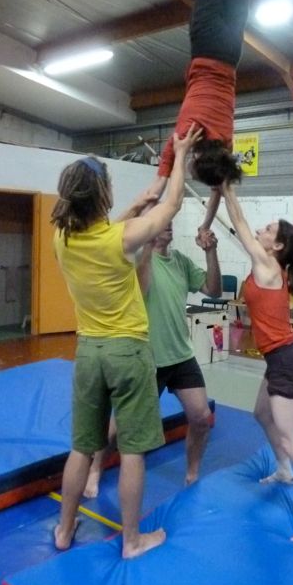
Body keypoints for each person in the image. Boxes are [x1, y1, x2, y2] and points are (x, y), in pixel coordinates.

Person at [50, 125, 201, 559]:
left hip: (88, 353)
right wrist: (182, 154)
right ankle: (132, 541)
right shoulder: (121, 239)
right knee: (133, 450)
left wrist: (138, 201)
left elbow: (112, 231)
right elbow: (172, 204)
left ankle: (64, 530)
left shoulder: (63, 238)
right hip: (127, 352)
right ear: (102, 197)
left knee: (83, 447)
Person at [84, 192, 223, 497]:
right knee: (119, 427)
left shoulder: (181, 262)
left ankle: (192, 473)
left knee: (202, 417)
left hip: (181, 355)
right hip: (147, 357)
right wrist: (147, 245)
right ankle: (94, 471)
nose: (168, 224)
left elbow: (214, 290)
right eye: (162, 221)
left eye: (171, 221)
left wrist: (211, 252)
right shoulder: (137, 260)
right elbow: (142, 287)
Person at [220, 182, 293, 542]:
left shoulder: (267, 265)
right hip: (278, 359)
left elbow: (238, 221)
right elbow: (240, 225)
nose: (262, 229)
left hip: (287, 361)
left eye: (269, 229)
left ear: (278, 246)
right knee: (261, 413)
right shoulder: (269, 265)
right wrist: (223, 192)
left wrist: (227, 188)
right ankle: (284, 470)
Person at [147, 0, 255, 198]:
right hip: (206, 48)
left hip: (231, 54)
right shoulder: (187, 134)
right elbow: (166, 165)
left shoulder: (226, 141)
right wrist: (159, 184)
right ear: (195, 160)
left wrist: (215, 205)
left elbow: (223, 188)